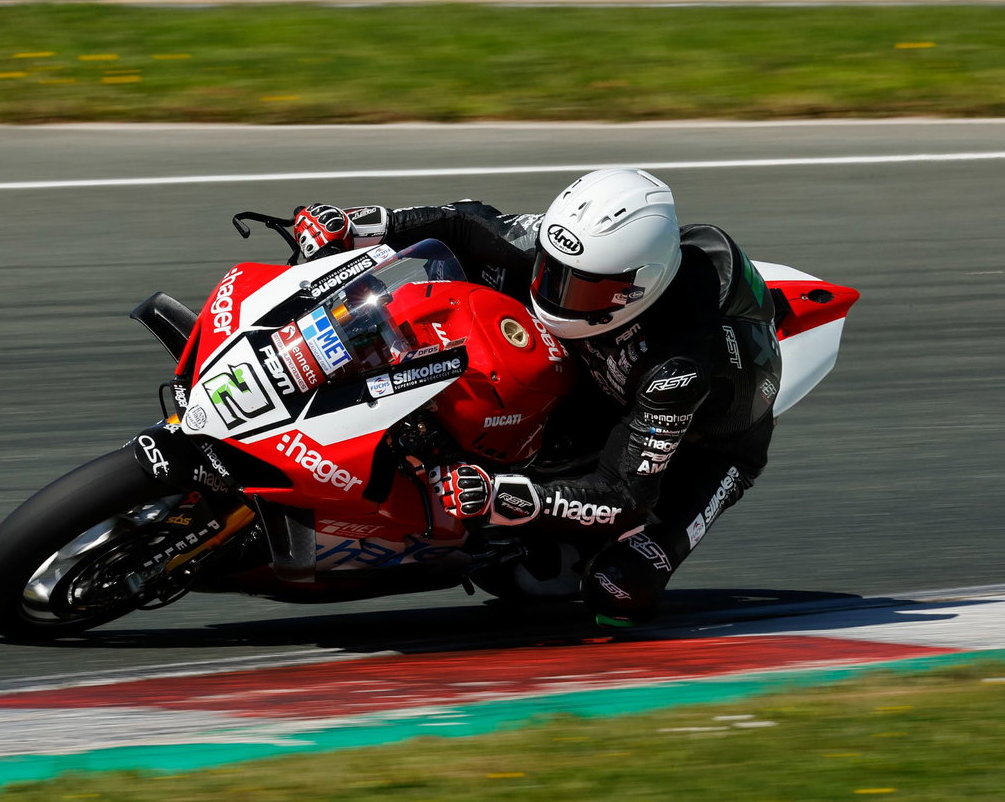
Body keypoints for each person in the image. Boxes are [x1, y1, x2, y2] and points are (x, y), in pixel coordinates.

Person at [290, 169, 781, 626]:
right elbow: (468, 223)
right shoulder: (582, 251)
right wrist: (362, 224)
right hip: (594, 375)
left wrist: (508, 497)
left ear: (635, 290)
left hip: (710, 445)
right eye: (551, 270)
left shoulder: (675, 370)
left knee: (620, 593)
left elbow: (625, 495)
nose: (554, 292)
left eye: (580, 288)